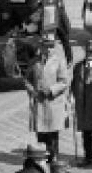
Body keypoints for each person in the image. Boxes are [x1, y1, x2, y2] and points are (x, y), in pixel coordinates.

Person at [24, 34, 70, 163]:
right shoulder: (34, 62)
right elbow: (27, 80)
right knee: (41, 134)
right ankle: (42, 159)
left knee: (52, 135)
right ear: (41, 46)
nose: (49, 49)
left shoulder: (59, 61)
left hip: (53, 103)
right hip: (39, 104)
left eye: (51, 46)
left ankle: (53, 158)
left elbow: (64, 82)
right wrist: (32, 91)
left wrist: (51, 90)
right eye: (46, 46)